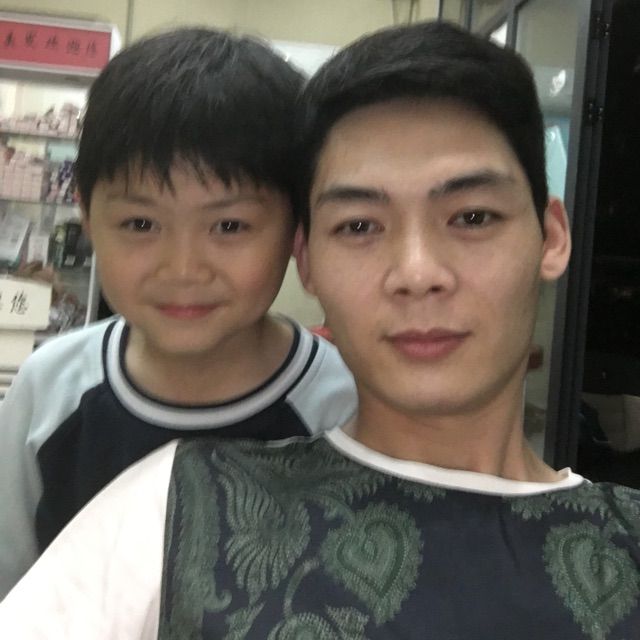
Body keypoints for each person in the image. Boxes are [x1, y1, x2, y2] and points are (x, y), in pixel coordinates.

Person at [2, 19, 640, 639]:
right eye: (359, 225)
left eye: (472, 216)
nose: (417, 274)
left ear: (551, 237)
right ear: (306, 258)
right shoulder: (171, 510)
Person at [0, 27, 357, 599]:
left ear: (297, 228)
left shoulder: (341, 405)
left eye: (230, 225)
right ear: (87, 218)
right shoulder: (50, 392)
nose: (184, 268)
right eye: (140, 224)